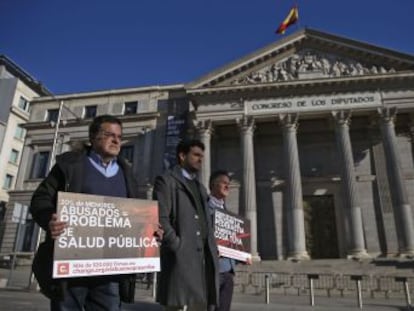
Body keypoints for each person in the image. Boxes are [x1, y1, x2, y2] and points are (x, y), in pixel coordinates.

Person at [30, 115, 145, 311]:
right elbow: (40, 200)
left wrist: (150, 230)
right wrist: (50, 219)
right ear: (93, 137)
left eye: (119, 136)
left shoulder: (127, 174)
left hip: (110, 268)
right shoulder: (69, 166)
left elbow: (136, 216)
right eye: (109, 135)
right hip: (72, 266)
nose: (116, 140)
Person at [153, 139, 219, 311]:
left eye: (202, 156)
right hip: (180, 261)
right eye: (196, 155)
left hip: (203, 261)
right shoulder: (166, 181)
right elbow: (161, 218)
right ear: (182, 156)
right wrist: (177, 245)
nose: (200, 160)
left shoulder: (201, 188)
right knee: (176, 306)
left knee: (200, 306)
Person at [208, 170, 252, 311]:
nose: (228, 186)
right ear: (213, 185)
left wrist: (242, 257)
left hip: (228, 273)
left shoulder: (228, 214)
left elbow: (232, 243)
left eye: (229, 184)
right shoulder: (203, 208)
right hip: (211, 271)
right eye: (224, 183)